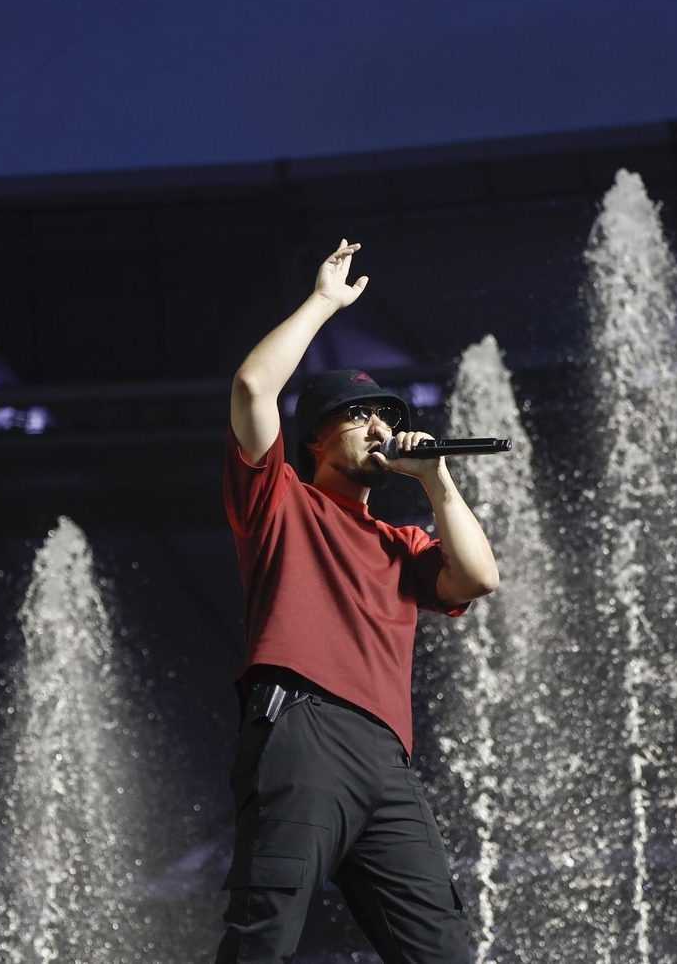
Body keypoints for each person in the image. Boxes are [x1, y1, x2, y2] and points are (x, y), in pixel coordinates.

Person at [217, 239, 500, 963]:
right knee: (264, 937)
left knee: (444, 950)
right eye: (358, 416)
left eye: (386, 415)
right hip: (301, 728)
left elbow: (477, 578)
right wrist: (323, 303)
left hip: (386, 758)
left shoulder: (399, 541)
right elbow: (253, 389)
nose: (379, 427)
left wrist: (436, 480)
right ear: (312, 439)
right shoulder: (281, 501)